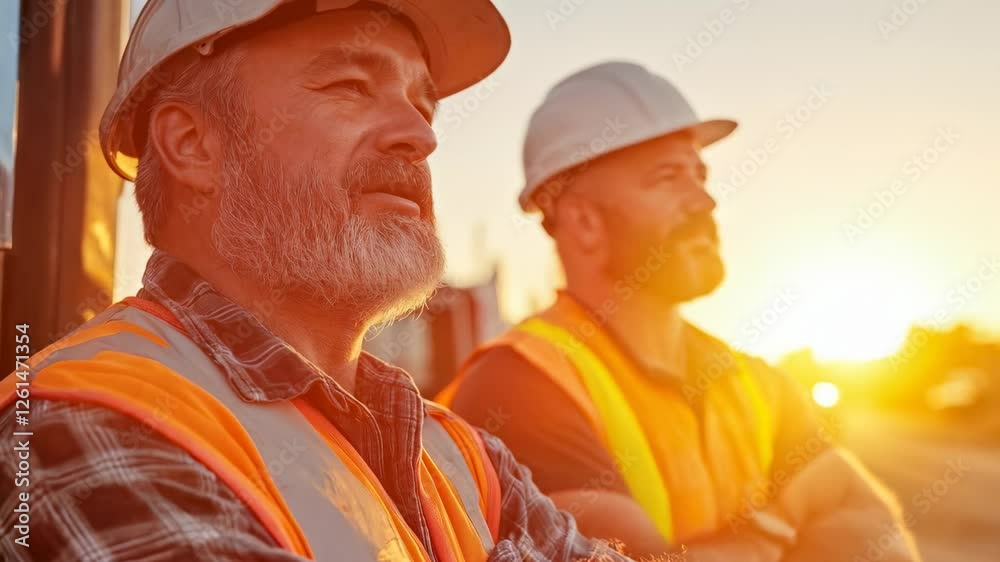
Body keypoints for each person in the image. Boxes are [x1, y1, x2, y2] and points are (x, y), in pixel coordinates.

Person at [0, 3, 637, 561]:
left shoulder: (466, 459)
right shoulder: (77, 420)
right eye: (352, 85)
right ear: (192, 143)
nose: (419, 135)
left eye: (423, 104)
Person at [438, 61, 921, 562]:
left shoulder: (755, 382)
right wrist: (777, 541)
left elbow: (872, 530)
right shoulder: (519, 386)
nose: (705, 202)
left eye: (700, 174)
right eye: (668, 178)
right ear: (583, 222)